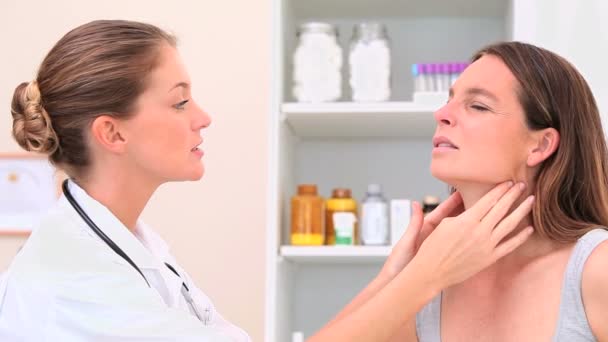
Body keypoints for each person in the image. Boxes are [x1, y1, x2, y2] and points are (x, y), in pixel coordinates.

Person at [0, 20, 534, 341]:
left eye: (480, 105)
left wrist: (399, 277)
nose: (202, 117)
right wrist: (431, 277)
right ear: (112, 134)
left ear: (543, 143)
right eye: (180, 101)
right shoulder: (75, 284)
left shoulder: (131, 245)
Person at [412, 42, 608, 341]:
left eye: (478, 105)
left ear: (541, 145)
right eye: (448, 100)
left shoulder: (597, 267)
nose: (441, 113)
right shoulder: (428, 278)